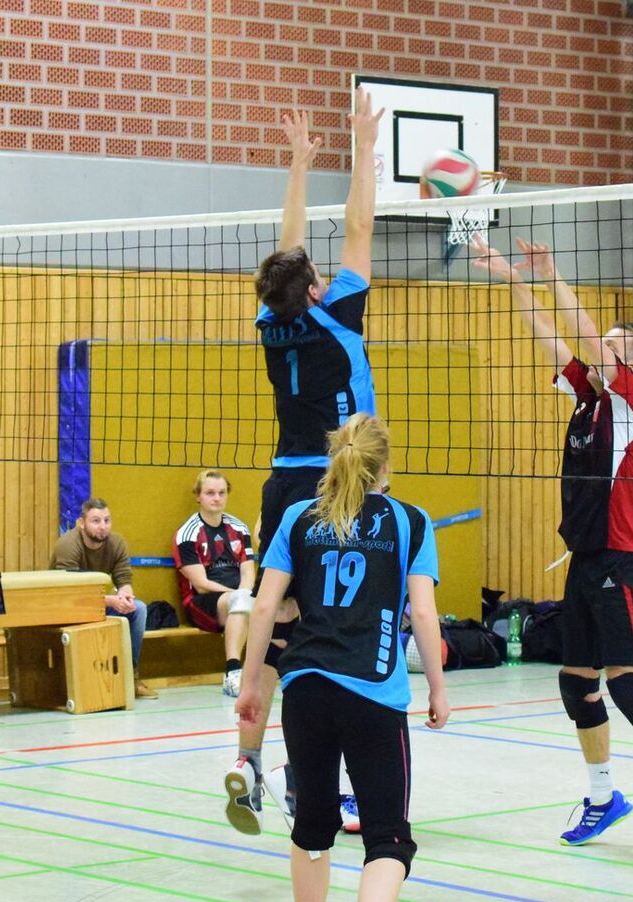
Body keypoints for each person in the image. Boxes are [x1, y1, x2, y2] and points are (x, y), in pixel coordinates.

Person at [471, 236, 633, 858]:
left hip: (622, 559)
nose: (597, 351)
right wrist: (513, 277)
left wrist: (556, 274)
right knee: (576, 683)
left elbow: (577, 330)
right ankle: (605, 796)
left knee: (627, 685)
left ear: (632, 365)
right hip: (584, 557)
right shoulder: (589, 401)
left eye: (611, 346)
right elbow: (550, 336)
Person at [234, 413, 449, 902]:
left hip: (304, 687)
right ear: (387, 466)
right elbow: (422, 614)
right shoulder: (410, 522)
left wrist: (251, 684)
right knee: (388, 835)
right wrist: (438, 688)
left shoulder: (299, 518)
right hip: (374, 692)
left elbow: (262, 608)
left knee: (313, 825)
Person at [222, 93, 384, 836]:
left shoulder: (272, 320)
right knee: (335, 635)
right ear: (316, 289)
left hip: (280, 481)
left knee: (280, 629)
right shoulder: (336, 313)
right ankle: (321, 780)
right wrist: (362, 148)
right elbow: (358, 224)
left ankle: (248, 763)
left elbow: (287, 249)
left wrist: (295, 165)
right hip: (335, 484)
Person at [51, 497, 156, 699]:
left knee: (138, 609)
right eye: (96, 521)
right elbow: (71, 592)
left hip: (99, 603)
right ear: (82, 524)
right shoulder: (68, 545)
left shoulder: (117, 543)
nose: (103, 527)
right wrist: (110, 600)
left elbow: (124, 577)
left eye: (107, 520)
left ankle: (130, 677)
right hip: (67, 606)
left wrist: (125, 596)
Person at [173, 470, 256, 697]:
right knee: (242, 600)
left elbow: (248, 570)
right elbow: (201, 584)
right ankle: (233, 673)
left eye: (221, 493)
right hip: (201, 603)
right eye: (210, 493)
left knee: (282, 602)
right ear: (198, 496)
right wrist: (239, 595)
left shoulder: (239, 528)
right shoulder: (187, 533)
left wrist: (246, 592)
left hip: (236, 597)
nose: (217, 498)